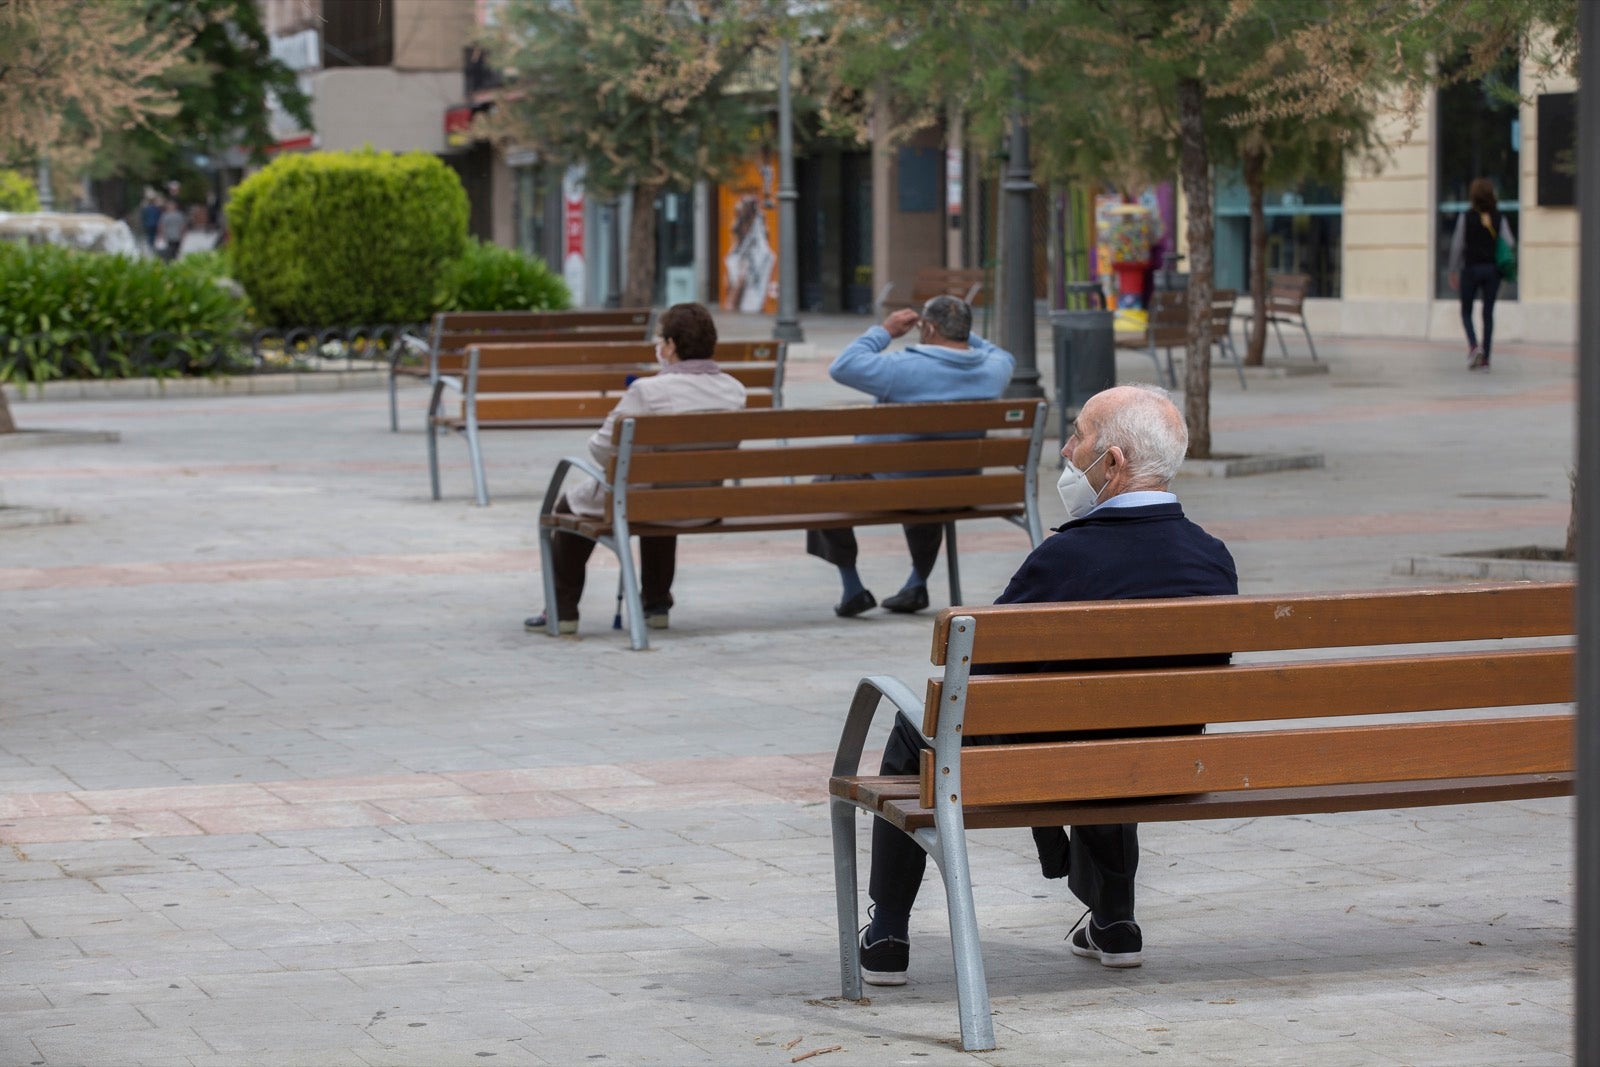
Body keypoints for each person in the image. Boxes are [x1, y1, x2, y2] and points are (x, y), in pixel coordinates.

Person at [856, 384, 1238, 986]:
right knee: (1115, 718)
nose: (1064, 448)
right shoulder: (1212, 558)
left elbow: (978, 680)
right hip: (1160, 759)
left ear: (1112, 464)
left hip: (1064, 759)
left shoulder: (1062, 559)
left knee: (918, 727)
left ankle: (886, 934)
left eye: (1080, 434)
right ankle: (1115, 923)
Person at [524, 302, 746, 635]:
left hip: (647, 504)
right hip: (702, 504)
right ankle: (656, 603)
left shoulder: (648, 391)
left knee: (571, 506)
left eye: (661, 340)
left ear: (670, 346)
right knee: (661, 495)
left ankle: (562, 610)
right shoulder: (735, 390)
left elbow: (600, 448)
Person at [806, 295, 1014, 617]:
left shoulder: (899, 367)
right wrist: (961, 331)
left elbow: (842, 366)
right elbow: (999, 353)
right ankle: (916, 582)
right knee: (928, 479)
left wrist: (885, 331)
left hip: (892, 485)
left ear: (927, 328)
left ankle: (852, 587)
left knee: (823, 486)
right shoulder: (994, 370)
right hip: (958, 488)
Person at [1448, 177, 1515, 372]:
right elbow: (1509, 242)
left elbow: (1457, 245)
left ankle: (1473, 346)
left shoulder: (1465, 217)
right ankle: (1485, 357)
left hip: (1470, 270)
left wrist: (1453, 269)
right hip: (1492, 271)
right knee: (1488, 314)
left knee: (1466, 311)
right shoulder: (1498, 217)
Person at [156, 198, 186, 262]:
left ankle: (171, 259)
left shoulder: (165, 215)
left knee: (171, 249)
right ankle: (173, 259)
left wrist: (160, 235)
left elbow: (161, 226)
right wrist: (182, 234)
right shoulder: (178, 215)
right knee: (174, 249)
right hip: (173, 236)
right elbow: (183, 226)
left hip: (171, 236)